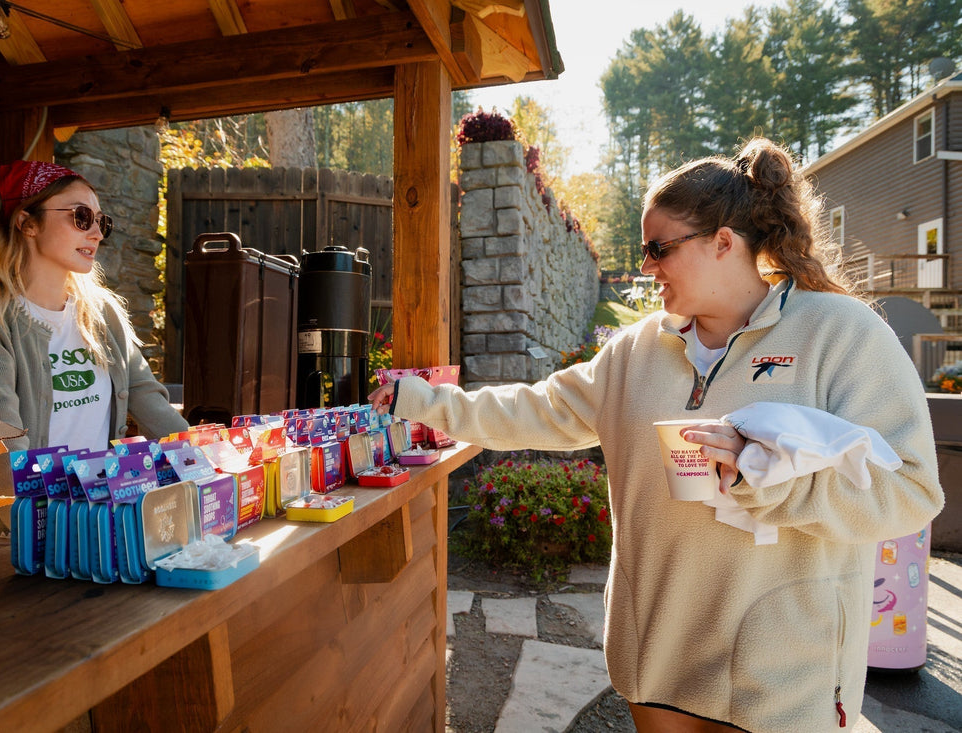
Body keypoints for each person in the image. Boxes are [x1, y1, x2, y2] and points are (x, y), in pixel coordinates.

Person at [370, 137, 943, 733]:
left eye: (659, 248)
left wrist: (770, 479)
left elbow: (911, 491)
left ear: (725, 242)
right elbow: (534, 409)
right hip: (658, 658)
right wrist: (421, 402)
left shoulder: (841, 333)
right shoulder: (634, 351)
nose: (646, 266)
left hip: (781, 668)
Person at [0, 159, 188, 452]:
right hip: (29, 497)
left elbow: (146, 396)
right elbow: (2, 447)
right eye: (81, 216)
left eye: (101, 222)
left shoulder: (102, 312)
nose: (96, 233)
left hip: (105, 495)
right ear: (27, 223)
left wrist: (205, 456)